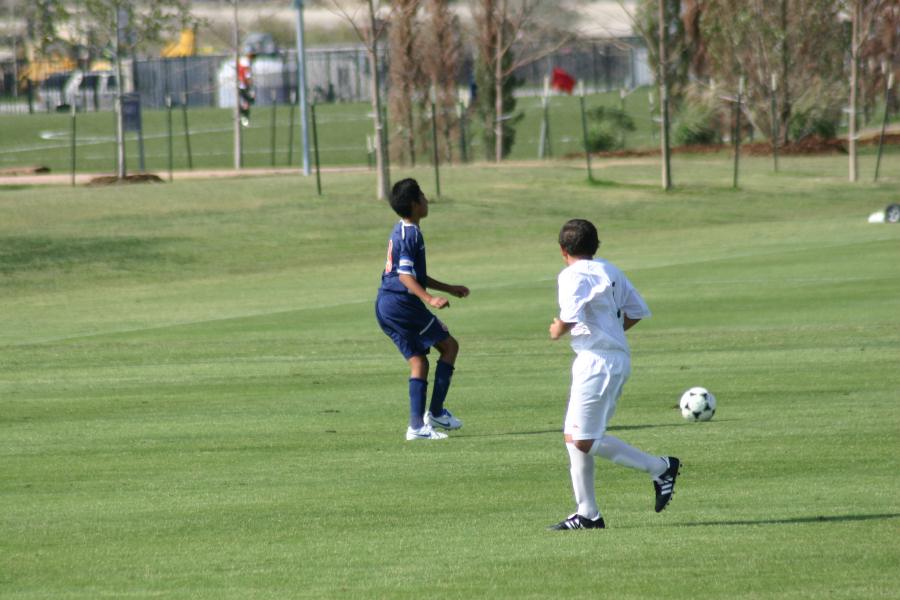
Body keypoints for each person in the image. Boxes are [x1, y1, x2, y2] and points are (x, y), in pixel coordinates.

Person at [547, 218, 680, 530]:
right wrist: (611, 333)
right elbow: (636, 311)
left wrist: (557, 329)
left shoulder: (571, 275)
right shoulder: (609, 269)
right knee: (573, 437)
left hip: (597, 362)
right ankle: (587, 514)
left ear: (562, 250)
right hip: (608, 358)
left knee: (583, 440)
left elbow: (569, 317)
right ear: (597, 247)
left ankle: (660, 467)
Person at [375, 178, 470, 441]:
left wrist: (449, 288)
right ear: (416, 204)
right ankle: (436, 413)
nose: (427, 200)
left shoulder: (402, 229)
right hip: (401, 304)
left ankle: (416, 427)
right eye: (423, 196)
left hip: (386, 304)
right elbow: (406, 276)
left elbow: (415, 274)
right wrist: (430, 299)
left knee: (419, 361)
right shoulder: (412, 234)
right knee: (449, 346)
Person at [237, 53, 255, 127]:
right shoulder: (246, 66)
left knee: (246, 103)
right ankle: (244, 119)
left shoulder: (240, 65)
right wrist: (251, 87)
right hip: (244, 87)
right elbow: (247, 77)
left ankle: (242, 117)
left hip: (239, 86)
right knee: (247, 102)